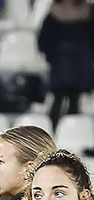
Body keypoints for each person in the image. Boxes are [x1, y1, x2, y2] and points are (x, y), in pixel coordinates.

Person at [38, 0, 94, 128]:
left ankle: (71, 129)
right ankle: (51, 130)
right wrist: (51, 54)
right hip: (61, 61)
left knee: (75, 100)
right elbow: (44, 39)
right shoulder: (54, 14)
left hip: (80, 61)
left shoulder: (87, 12)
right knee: (58, 99)